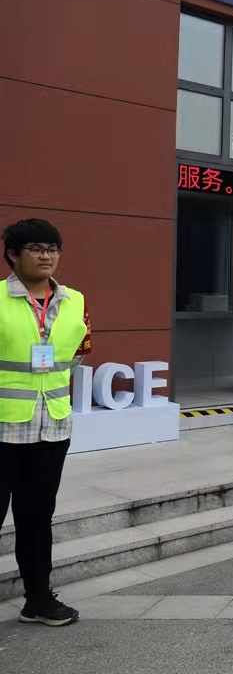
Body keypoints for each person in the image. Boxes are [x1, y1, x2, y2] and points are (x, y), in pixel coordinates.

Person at [0, 219, 91, 626]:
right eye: (36, 248)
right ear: (13, 254)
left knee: (38, 519)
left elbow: (77, 354)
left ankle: (38, 600)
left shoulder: (75, 300)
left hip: (52, 427)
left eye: (53, 248)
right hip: (3, 428)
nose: (46, 256)